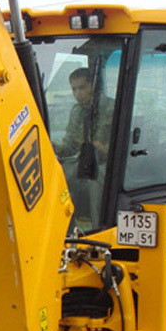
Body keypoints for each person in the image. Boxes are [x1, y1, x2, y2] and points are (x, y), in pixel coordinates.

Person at [57, 67, 113, 223]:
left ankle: (98, 227)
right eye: (74, 89)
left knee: (97, 180)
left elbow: (121, 146)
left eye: (82, 88)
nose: (77, 93)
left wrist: (102, 147)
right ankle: (64, 227)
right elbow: (70, 146)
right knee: (57, 176)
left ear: (93, 86)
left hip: (108, 163)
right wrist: (52, 146)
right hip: (84, 161)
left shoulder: (111, 108)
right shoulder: (76, 111)